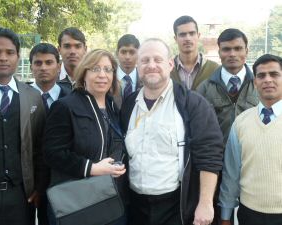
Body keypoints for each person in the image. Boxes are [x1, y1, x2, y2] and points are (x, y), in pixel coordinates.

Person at [120, 38, 223, 225]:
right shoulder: (128, 105)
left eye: (158, 60)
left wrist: (206, 203)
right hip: (135, 206)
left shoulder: (193, 104)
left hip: (176, 206)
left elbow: (210, 154)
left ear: (170, 65)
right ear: (137, 66)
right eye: (145, 60)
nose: (151, 65)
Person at [43, 49, 127, 225]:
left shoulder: (112, 106)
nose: (102, 75)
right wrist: (92, 168)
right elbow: (52, 153)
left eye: (108, 69)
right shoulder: (65, 107)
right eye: (95, 69)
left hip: (109, 197)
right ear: (84, 74)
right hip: (77, 202)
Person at [0, 27, 46, 225]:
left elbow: (39, 147)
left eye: (10, 53)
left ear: (18, 57)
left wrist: (38, 188)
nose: (3, 58)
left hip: (19, 196)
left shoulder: (33, 96)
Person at [197, 28, 259, 225]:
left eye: (238, 48)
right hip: (215, 170)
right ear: (219, 51)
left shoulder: (261, 84)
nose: (232, 54)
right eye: (226, 49)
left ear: (246, 51)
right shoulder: (204, 89)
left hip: (253, 167)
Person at [219, 54, 282, 225]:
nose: (267, 80)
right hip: (249, 214)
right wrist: (225, 216)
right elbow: (231, 172)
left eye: (274, 74)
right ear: (255, 82)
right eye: (261, 75)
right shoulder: (241, 122)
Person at [29, 43, 71, 225]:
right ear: (31, 67)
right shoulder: (21, 97)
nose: (43, 67)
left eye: (49, 62)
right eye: (38, 63)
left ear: (59, 66)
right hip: (29, 182)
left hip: (63, 181)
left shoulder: (72, 98)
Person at [171, 15, 219, 89]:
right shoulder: (167, 69)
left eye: (192, 33)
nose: (187, 38)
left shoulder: (214, 69)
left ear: (198, 36)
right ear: (175, 39)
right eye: (182, 35)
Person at [114, 34, 141, 108]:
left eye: (132, 52)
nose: (127, 57)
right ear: (117, 53)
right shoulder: (108, 78)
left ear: (139, 54)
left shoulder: (145, 79)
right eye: (123, 52)